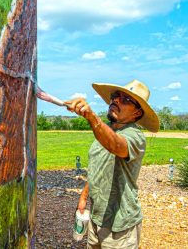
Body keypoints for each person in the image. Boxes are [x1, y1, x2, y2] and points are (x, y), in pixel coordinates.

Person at [64, 79, 159, 249]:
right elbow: (96, 167)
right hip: (96, 218)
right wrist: (84, 196)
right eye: (115, 96)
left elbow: (116, 145)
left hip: (120, 226)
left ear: (137, 113)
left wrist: (91, 116)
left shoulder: (135, 136)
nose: (115, 100)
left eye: (125, 99)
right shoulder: (105, 130)